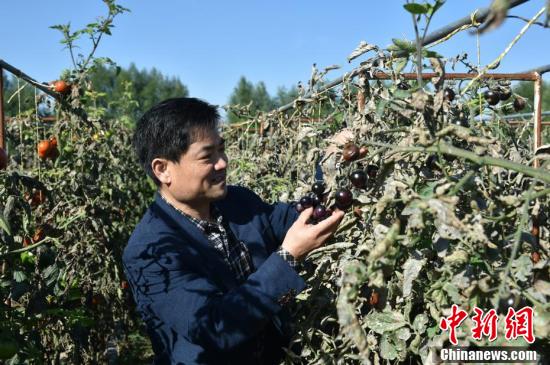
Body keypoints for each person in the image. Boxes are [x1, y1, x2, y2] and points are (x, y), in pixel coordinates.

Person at [122, 97, 344, 364]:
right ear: (163, 169)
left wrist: (334, 163)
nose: (222, 163)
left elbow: (294, 218)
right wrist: (287, 257)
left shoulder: (237, 202)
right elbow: (215, 327)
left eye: (221, 150)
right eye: (207, 156)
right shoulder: (151, 251)